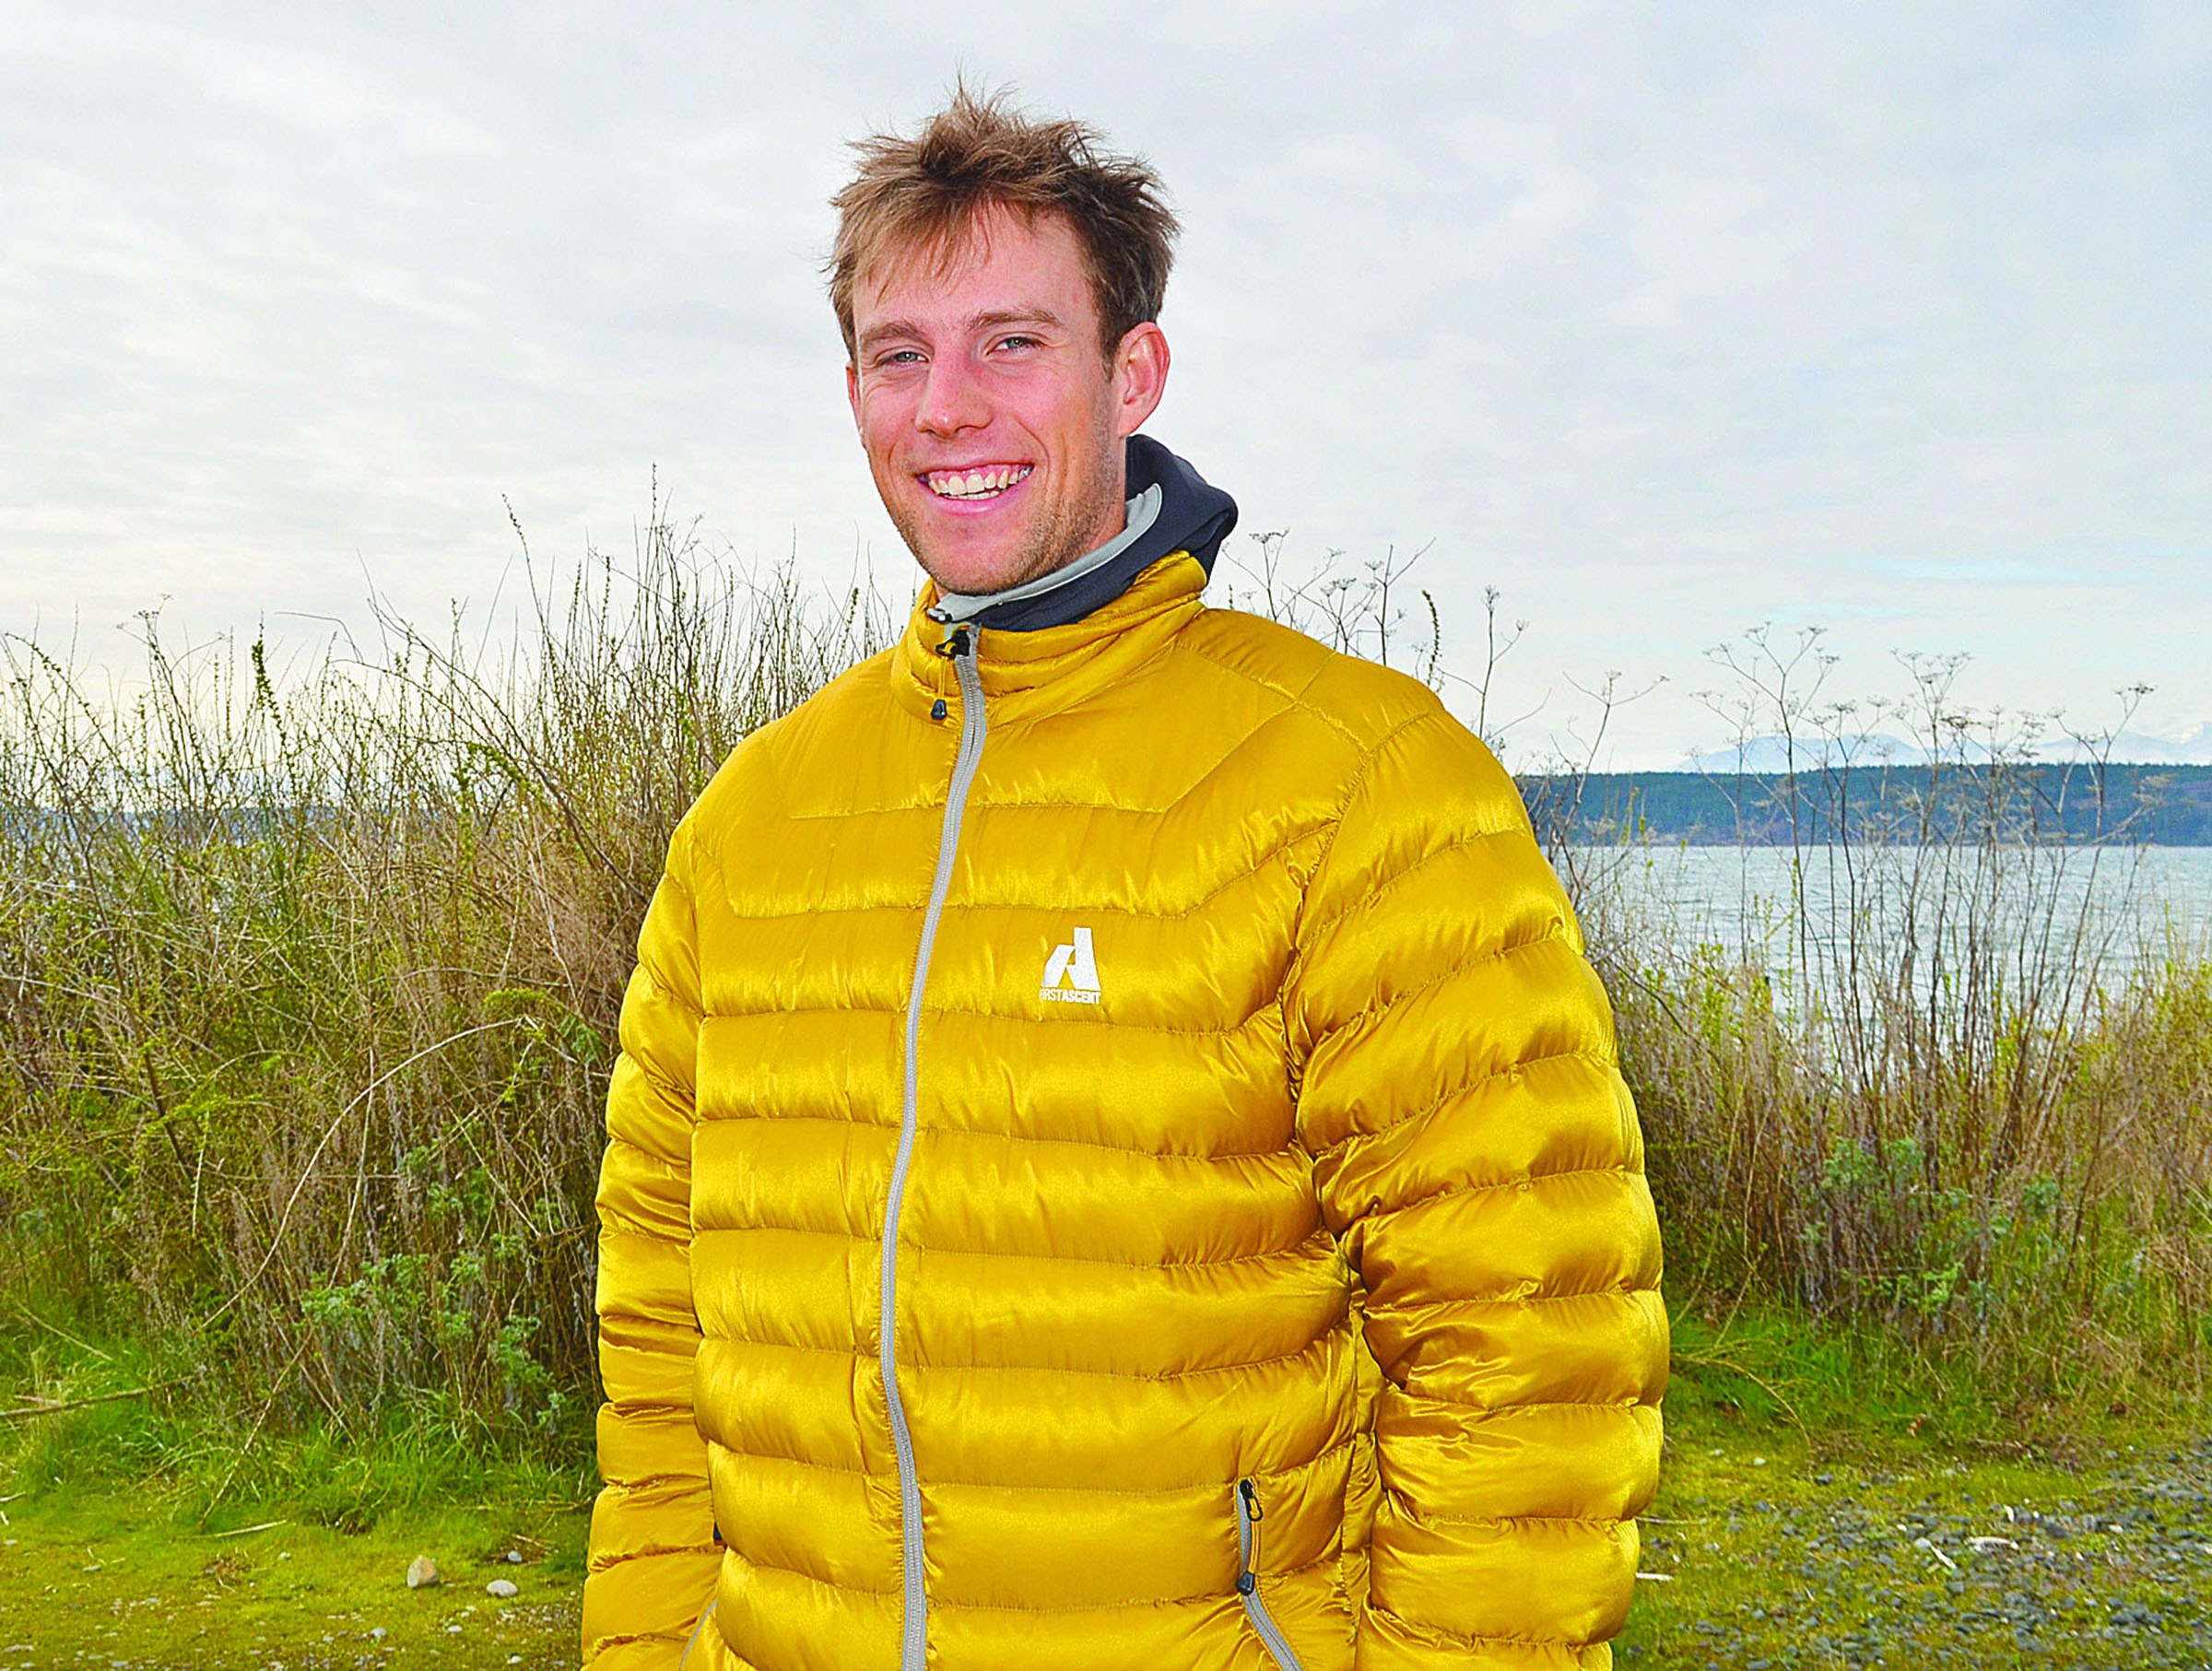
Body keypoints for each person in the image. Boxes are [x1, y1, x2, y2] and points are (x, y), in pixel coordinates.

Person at [583, 86, 1665, 1671]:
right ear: (854, 390)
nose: (948, 406)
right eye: (902, 353)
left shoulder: (1356, 782)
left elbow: (1532, 1347)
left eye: (1011, 342)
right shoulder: (750, 824)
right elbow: (658, 1352)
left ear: (1131, 370)